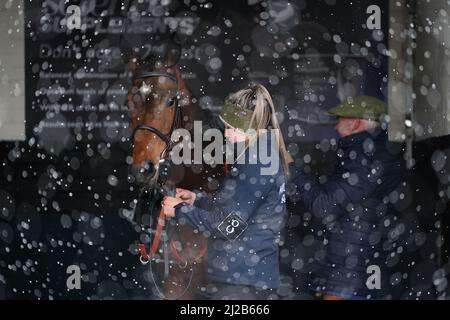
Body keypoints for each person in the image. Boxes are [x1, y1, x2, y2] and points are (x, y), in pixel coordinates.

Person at [161, 83, 290, 299]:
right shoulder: (254, 156)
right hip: (243, 278)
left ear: (249, 129)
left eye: (232, 128)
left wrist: (181, 210)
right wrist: (196, 200)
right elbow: (234, 207)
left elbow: (228, 226)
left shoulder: (256, 163)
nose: (227, 135)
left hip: (242, 282)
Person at [291, 96, 406, 300]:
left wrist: (291, 168)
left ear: (355, 123)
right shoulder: (368, 153)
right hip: (356, 270)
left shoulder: (366, 159)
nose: (336, 127)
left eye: (340, 120)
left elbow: (324, 206)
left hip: (351, 274)